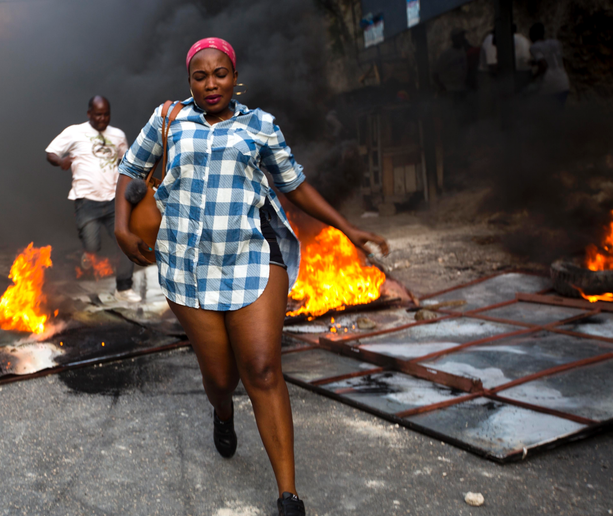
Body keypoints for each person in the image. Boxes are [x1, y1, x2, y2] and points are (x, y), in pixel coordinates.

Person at [114, 38, 388, 516]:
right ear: (189, 82)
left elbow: (295, 184)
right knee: (221, 378)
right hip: (187, 264)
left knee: (261, 368)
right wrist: (120, 225)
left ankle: (289, 496)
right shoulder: (169, 119)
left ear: (235, 76)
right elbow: (130, 168)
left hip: (251, 257)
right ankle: (222, 412)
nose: (211, 83)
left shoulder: (260, 126)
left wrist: (347, 228)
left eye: (220, 73)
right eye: (200, 76)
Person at [45, 95, 139, 303]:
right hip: (86, 202)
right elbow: (50, 152)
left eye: (106, 115)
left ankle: (124, 288)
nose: (103, 119)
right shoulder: (75, 132)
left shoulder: (118, 135)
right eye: (98, 115)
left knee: (125, 241)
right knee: (92, 246)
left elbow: (127, 161)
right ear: (89, 114)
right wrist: (61, 161)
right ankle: (88, 254)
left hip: (114, 201)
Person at [529, 22, 570, 106]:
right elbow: (561, 61)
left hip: (550, 85)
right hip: (564, 82)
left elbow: (543, 66)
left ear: (533, 35)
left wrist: (533, 78)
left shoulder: (535, 47)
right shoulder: (555, 43)